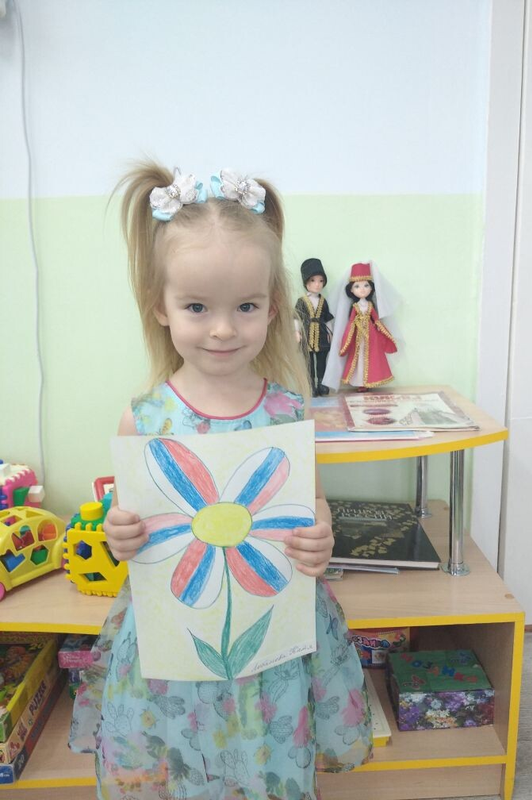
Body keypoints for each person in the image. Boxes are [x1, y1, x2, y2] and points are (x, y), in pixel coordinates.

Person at [69, 163, 372, 800]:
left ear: (273, 307)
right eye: (197, 307)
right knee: (189, 758)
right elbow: (128, 524)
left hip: (276, 631)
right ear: (160, 305)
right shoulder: (145, 418)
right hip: (178, 635)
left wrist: (321, 533)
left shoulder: (289, 414)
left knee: (266, 754)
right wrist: (119, 533)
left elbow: (312, 503)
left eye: (246, 307)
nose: (224, 328)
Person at [323, 262, 399, 392]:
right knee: (359, 357)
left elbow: (376, 319)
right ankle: (360, 382)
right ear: (351, 290)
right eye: (357, 286)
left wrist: (381, 329)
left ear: (371, 288)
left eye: (366, 285)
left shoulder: (370, 305)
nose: (362, 289)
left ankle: (370, 381)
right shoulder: (355, 307)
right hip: (358, 336)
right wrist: (349, 335)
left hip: (371, 336)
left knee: (372, 356)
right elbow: (351, 321)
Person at [294, 258, 334, 396]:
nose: (317, 284)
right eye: (313, 280)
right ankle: (310, 385)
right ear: (306, 282)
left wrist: (330, 333)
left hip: (322, 335)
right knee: (309, 362)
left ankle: (322, 384)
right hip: (307, 334)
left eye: (320, 281)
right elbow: (296, 317)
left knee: (322, 361)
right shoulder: (301, 301)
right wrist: (296, 332)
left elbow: (327, 318)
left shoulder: (323, 301)